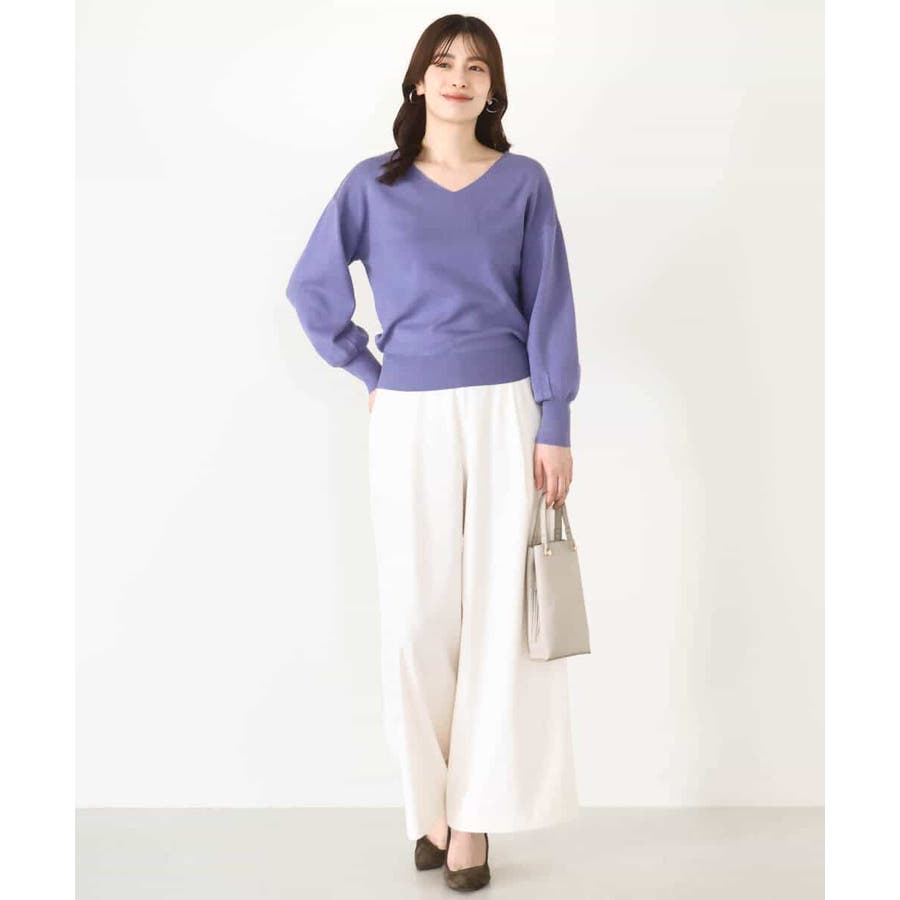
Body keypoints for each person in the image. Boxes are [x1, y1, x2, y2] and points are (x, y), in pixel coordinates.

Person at [285, 14, 581, 891]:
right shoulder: (372, 186)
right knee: (418, 619)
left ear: (494, 89)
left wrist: (556, 420)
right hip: (407, 411)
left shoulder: (523, 182)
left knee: (496, 619)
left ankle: (474, 820)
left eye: (477, 66)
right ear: (418, 80)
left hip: (506, 410)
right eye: (444, 62)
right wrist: (366, 368)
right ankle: (431, 807)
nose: (459, 76)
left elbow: (551, 301)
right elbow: (311, 288)